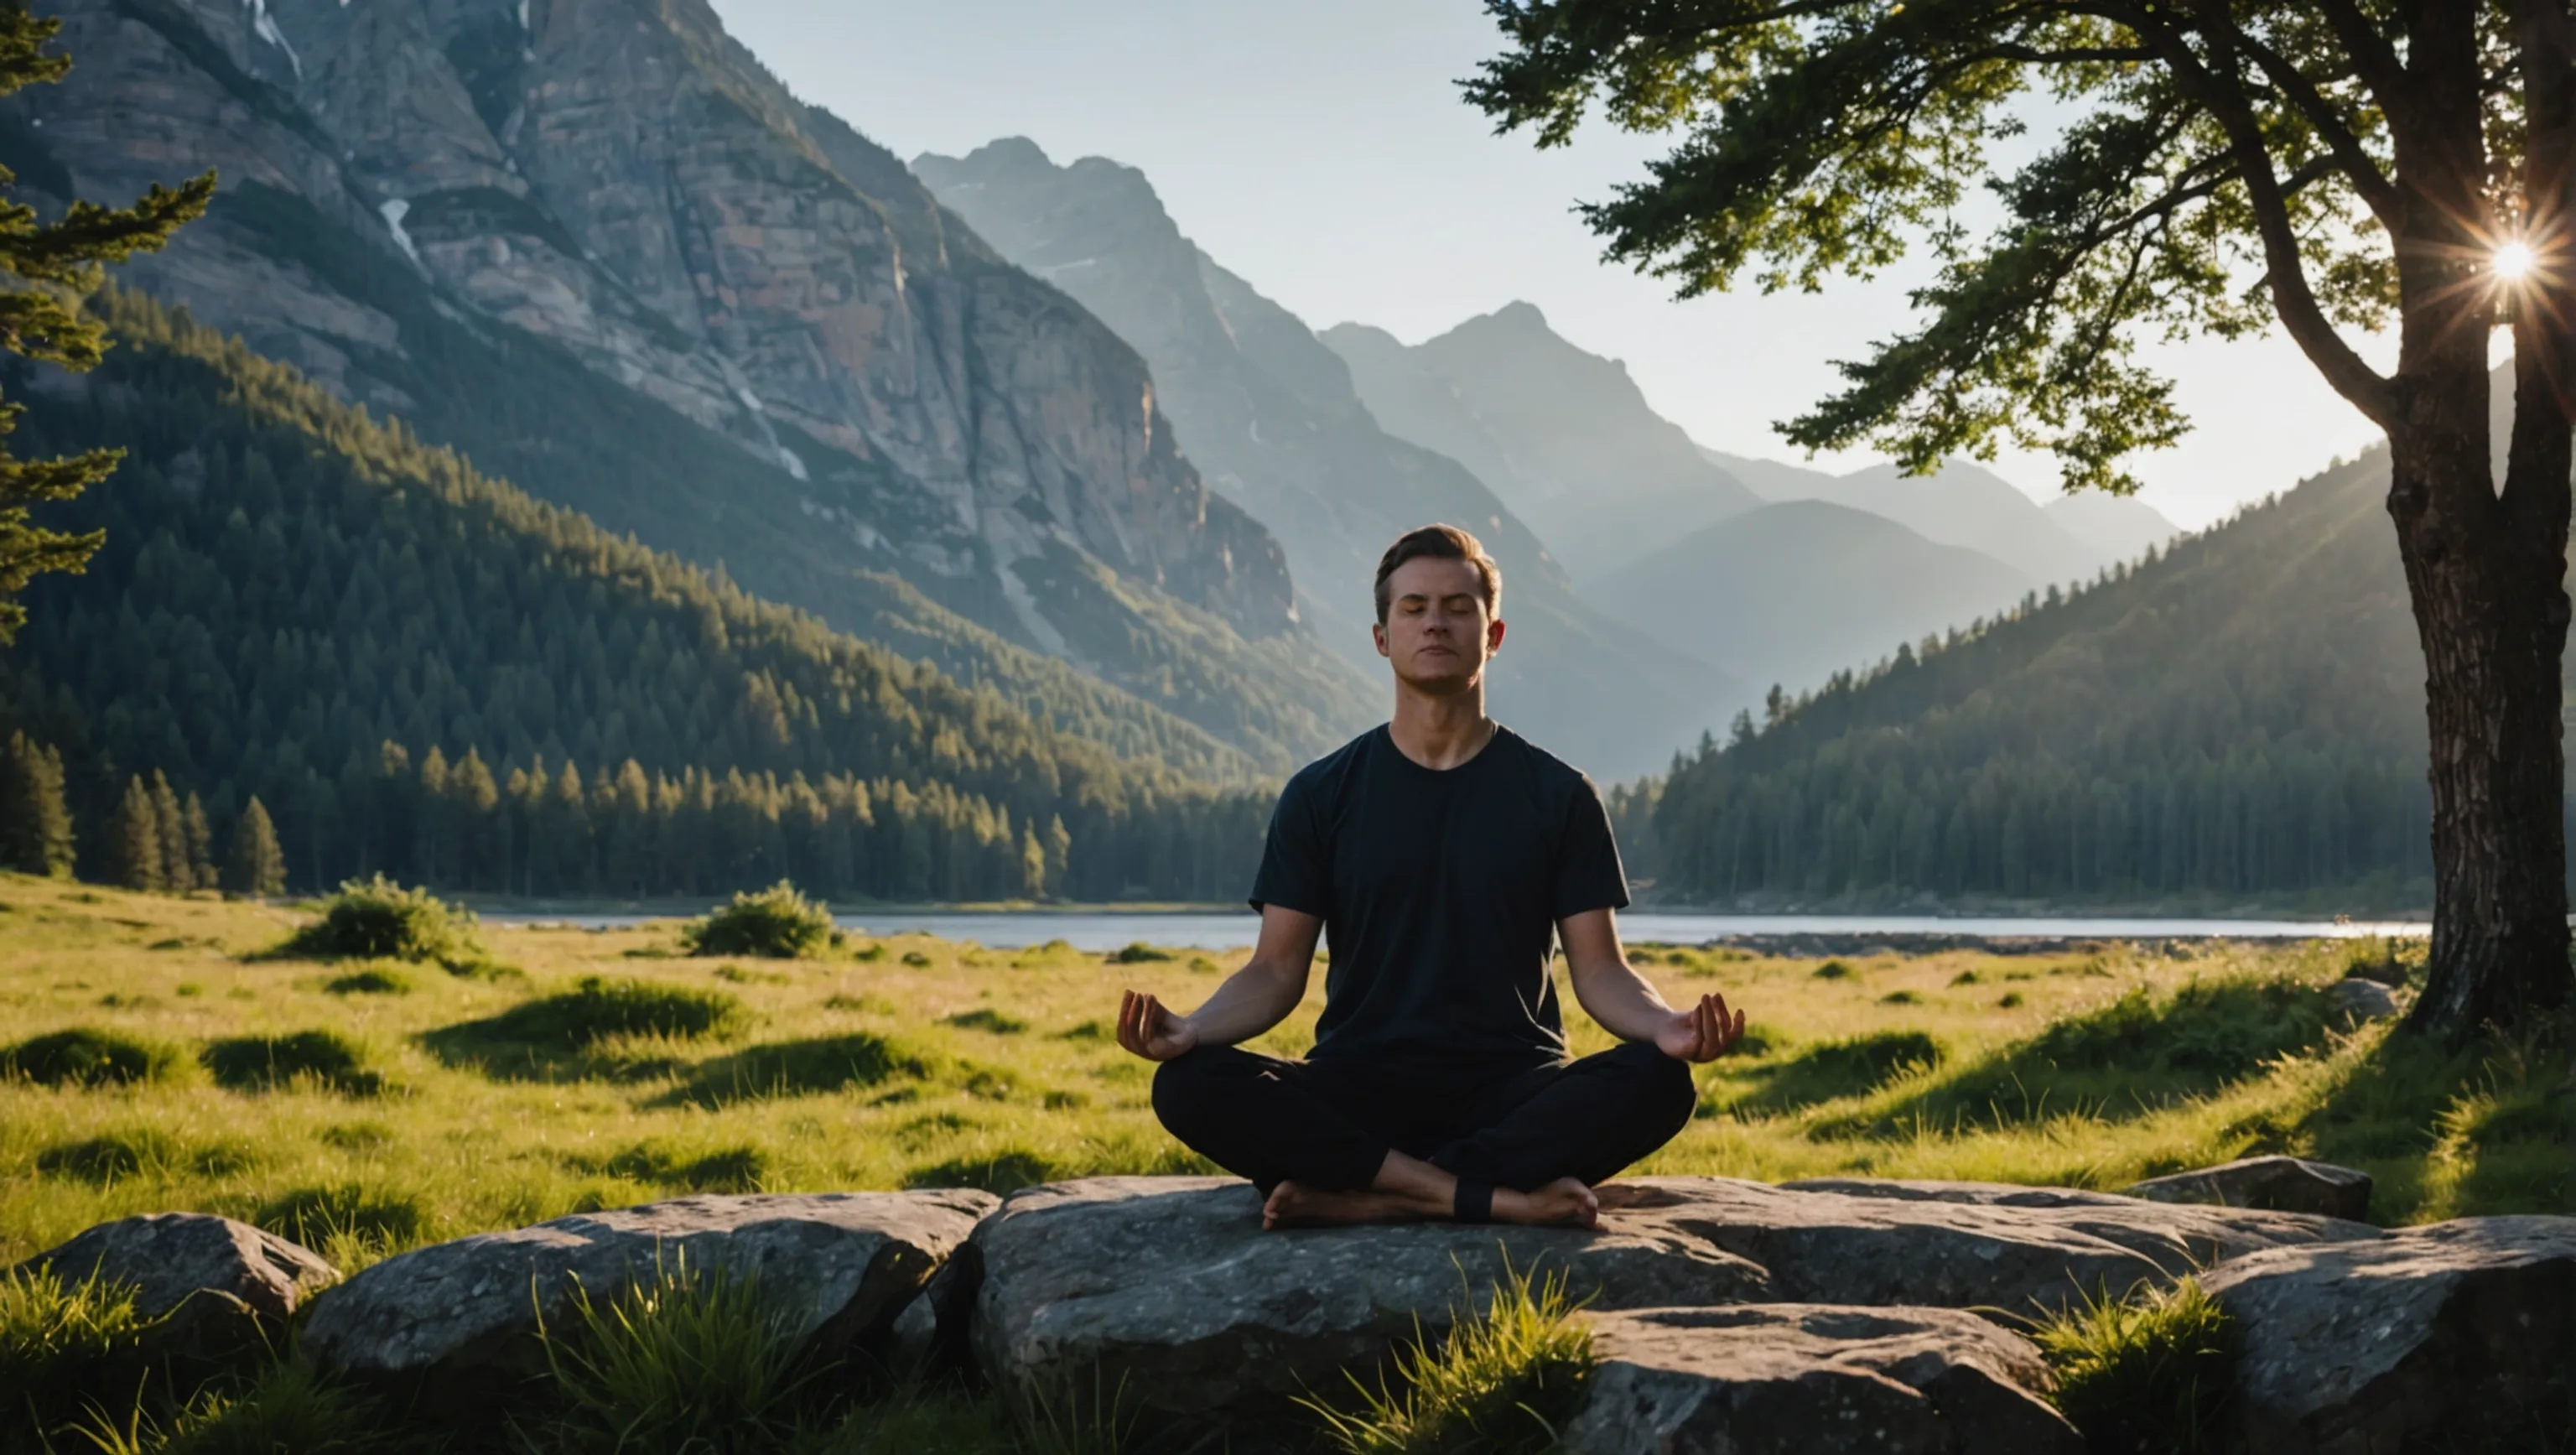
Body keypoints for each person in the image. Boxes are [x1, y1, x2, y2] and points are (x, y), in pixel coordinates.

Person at [1115, 523, 1748, 1230]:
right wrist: (1192, 1027)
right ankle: (1487, 1197)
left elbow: (1601, 971)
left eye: (1457, 606)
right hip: (1358, 1084)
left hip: (1513, 1087)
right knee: (1189, 1084)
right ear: (1383, 637)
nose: (1435, 622)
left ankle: (1371, 1193)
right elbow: (1274, 971)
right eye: (1413, 607)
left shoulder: (1559, 794)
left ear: (1494, 633)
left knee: (1659, 1082)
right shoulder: (1321, 794)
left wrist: (1666, 1025)